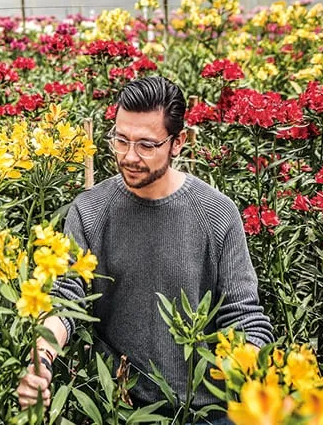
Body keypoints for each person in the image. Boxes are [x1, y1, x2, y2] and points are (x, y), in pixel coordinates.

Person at [16, 76, 273, 425]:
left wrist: (254, 373)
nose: (130, 157)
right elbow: (66, 301)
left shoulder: (217, 213)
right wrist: (40, 361)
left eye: (146, 145)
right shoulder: (89, 211)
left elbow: (244, 317)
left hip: (207, 412)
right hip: (119, 407)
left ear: (178, 142)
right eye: (121, 140)